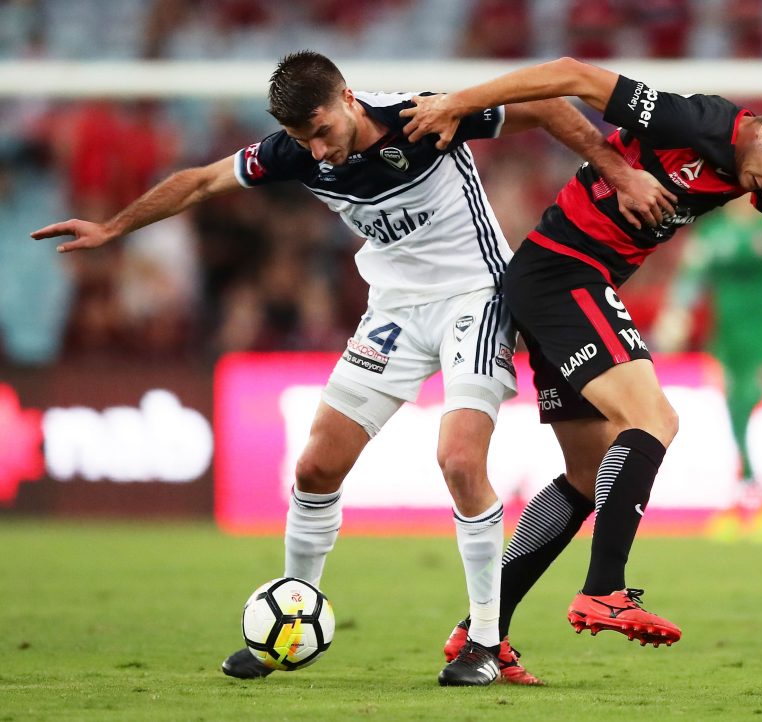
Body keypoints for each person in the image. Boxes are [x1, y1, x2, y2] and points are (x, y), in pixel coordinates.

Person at [30, 51, 673, 687]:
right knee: (315, 466)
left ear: (347, 98)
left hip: (474, 298)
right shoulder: (294, 152)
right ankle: (290, 620)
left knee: (459, 461)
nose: (317, 151)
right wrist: (114, 228)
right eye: (301, 139)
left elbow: (544, 104)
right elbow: (200, 181)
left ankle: (485, 641)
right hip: (392, 310)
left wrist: (613, 169)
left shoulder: (420, 119)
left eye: (322, 132)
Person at [402, 56, 762, 677]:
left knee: (586, 473)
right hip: (563, 275)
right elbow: (572, 74)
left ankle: (479, 635)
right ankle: (605, 587)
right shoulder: (692, 120)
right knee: (653, 418)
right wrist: (458, 102)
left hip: (566, 283)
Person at [653, 198, 762, 540]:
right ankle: (750, 497)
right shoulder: (712, 233)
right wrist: (676, 313)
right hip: (725, 339)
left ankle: (757, 497)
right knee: (732, 412)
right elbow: (691, 278)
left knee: (751, 407)